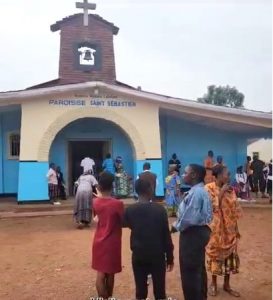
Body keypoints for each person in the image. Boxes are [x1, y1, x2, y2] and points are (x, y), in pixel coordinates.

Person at [123, 179, 174, 300]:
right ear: (150, 190)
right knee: (160, 290)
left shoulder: (130, 210)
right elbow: (166, 235)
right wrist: (170, 257)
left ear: (136, 191)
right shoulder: (160, 210)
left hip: (138, 254)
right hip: (157, 255)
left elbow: (128, 224)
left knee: (140, 291)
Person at [172, 164, 212, 300]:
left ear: (194, 175)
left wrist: (174, 227)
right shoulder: (199, 190)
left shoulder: (197, 192)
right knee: (198, 269)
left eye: (185, 173)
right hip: (198, 233)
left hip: (192, 234)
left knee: (190, 272)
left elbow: (189, 218)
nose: (183, 175)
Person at [205, 165, 242, 297]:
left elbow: (235, 209)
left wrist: (236, 228)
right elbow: (211, 207)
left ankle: (227, 284)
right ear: (218, 176)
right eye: (227, 174)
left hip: (229, 228)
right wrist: (221, 193)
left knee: (229, 256)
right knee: (216, 254)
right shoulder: (208, 188)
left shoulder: (230, 190)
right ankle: (213, 283)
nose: (229, 176)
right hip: (216, 229)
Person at [91, 172, 124, 299]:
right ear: (112, 186)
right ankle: (109, 296)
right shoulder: (117, 204)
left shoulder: (95, 202)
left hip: (99, 241)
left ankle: (102, 297)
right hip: (113, 242)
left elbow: (96, 217)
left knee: (100, 272)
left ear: (99, 187)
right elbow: (123, 221)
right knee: (111, 273)